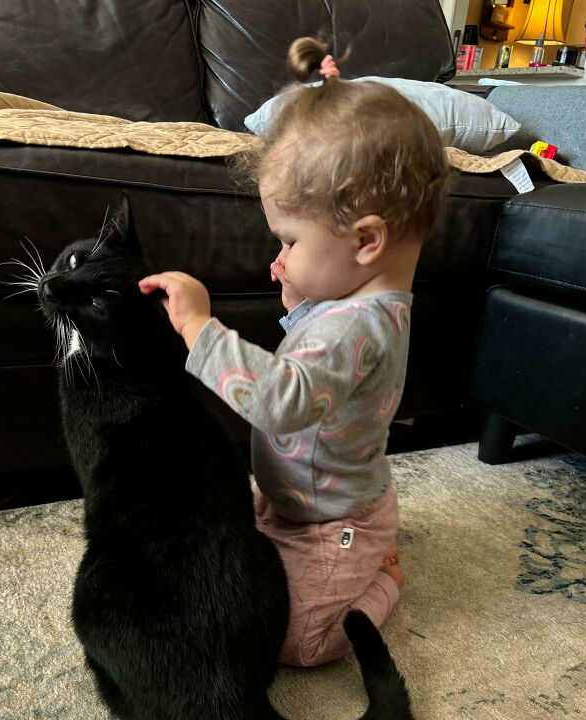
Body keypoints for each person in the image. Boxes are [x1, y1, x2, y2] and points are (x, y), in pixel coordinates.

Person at [139, 38, 450, 667]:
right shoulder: (360, 304)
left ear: (365, 240)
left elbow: (283, 399)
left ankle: (383, 579)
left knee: (296, 644)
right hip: (288, 499)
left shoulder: (357, 326)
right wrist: (298, 287)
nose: (274, 257)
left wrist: (200, 326)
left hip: (334, 524)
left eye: (288, 239)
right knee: (228, 578)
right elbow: (319, 350)